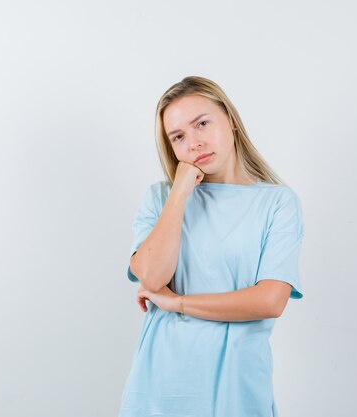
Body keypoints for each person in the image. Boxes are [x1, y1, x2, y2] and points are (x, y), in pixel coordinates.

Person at [118, 76, 305, 417]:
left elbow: (270, 300)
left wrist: (178, 303)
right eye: (179, 137)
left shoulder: (278, 202)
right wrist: (179, 192)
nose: (194, 143)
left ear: (230, 121)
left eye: (202, 124)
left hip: (236, 392)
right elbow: (151, 273)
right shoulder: (159, 198)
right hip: (158, 390)